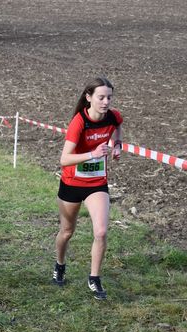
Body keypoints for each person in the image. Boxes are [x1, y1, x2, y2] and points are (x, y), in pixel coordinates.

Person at [52, 77, 123, 300]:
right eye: (101, 97)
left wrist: (117, 144)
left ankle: (94, 278)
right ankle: (60, 264)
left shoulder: (113, 116)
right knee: (67, 232)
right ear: (89, 97)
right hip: (72, 183)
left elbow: (118, 126)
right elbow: (64, 159)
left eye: (109, 97)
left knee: (101, 231)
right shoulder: (79, 122)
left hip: (97, 183)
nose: (105, 102)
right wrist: (93, 154)